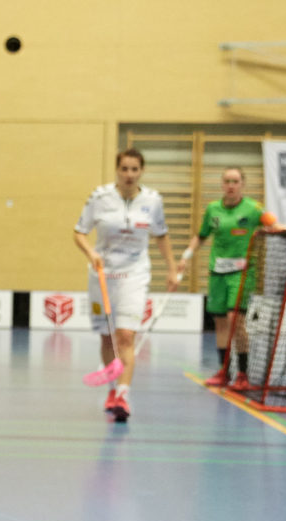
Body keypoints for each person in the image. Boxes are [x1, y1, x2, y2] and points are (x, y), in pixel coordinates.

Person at [73, 148, 180, 422]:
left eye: (134, 169)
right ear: (117, 170)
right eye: (125, 169)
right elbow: (79, 232)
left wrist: (171, 269)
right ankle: (111, 389)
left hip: (134, 274)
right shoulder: (100, 197)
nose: (129, 175)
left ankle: (123, 393)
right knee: (107, 337)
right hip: (103, 275)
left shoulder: (152, 200)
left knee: (125, 336)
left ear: (141, 171)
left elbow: (161, 235)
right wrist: (91, 253)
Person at [178, 167, 264, 391]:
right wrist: (186, 256)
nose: (231, 185)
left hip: (242, 273)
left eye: (235, 181)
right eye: (227, 181)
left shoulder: (254, 209)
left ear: (242, 184)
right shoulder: (213, 209)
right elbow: (201, 236)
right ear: (222, 184)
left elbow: (272, 225)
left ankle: (243, 373)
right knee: (220, 322)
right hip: (217, 272)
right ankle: (223, 371)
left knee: (236, 318)